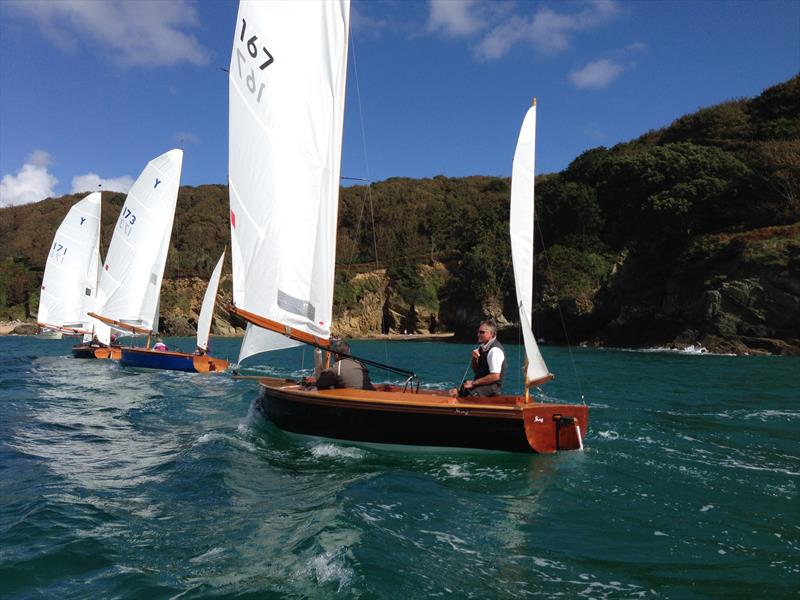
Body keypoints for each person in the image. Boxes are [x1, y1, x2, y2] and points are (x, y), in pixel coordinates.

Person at [450, 320, 506, 397]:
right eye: (478, 332)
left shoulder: (495, 351)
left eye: (482, 332)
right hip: (481, 384)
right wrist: (474, 359)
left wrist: (473, 383)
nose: (478, 334)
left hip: (492, 388)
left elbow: (495, 376)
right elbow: (477, 371)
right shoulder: (482, 347)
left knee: (470, 397)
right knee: (456, 392)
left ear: (491, 334)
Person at [309, 341, 374, 391]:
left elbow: (320, 384)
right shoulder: (361, 365)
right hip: (370, 396)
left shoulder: (337, 368)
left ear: (336, 355)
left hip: (352, 401)